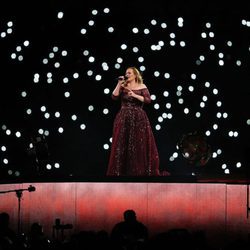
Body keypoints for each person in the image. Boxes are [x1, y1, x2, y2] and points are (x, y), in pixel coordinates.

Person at [107, 67, 160, 176]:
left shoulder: (142, 86)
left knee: (137, 143)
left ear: (135, 75)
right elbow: (114, 96)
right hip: (124, 117)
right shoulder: (123, 86)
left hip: (138, 118)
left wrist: (134, 95)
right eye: (126, 73)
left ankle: (138, 172)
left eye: (129, 73)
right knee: (121, 143)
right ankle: (119, 172)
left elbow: (148, 100)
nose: (127, 74)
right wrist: (119, 83)